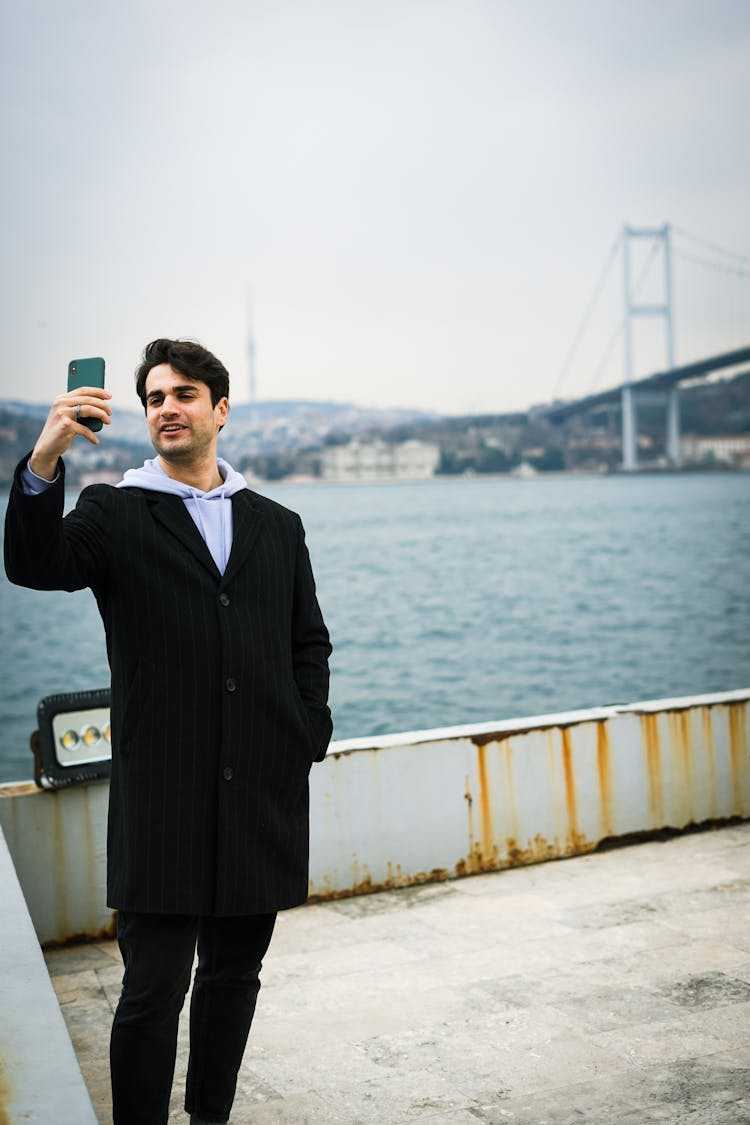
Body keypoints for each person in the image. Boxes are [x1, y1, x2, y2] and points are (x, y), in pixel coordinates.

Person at [4, 338, 333, 1125]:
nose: (166, 408)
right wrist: (44, 458)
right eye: (154, 397)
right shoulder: (114, 510)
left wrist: (305, 731)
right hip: (162, 796)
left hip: (261, 790)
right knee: (153, 990)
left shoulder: (276, 523)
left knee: (234, 978)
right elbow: (32, 562)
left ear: (220, 409)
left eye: (184, 394)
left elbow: (307, 641)